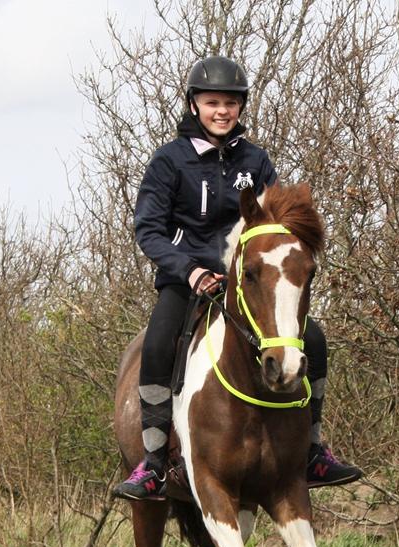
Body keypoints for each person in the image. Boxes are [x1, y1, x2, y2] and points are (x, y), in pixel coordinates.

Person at [113, 55, 363, 501]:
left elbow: (273, 224)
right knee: (157, 342)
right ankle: (151, 463)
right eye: (212, 103)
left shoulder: (256, 160)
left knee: (315, 338)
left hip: (247, 282)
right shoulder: (168, 162)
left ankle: (312, 450)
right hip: (185, 279)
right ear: (194, 106)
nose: (222, 111)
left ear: (241, 108)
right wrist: (189, 270)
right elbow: (148, 229)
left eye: (231, 103)